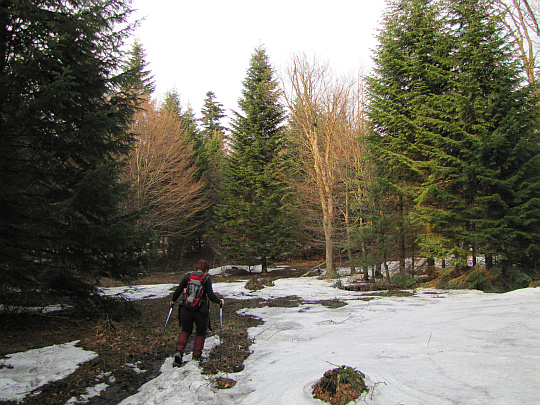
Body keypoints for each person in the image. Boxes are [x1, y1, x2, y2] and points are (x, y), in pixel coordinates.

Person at [170, 259, 224, 364]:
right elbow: (211, 295)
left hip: (186, 308)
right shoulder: (206, 279)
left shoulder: (188, 276)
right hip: (201, 310)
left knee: (185, 330)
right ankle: (196, 355)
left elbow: (178, 290)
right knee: (200, 332)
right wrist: (220, 301)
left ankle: (179, 351)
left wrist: (173, 301)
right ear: (206, 269)